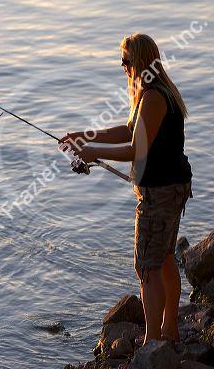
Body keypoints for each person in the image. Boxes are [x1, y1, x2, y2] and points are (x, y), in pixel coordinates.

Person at [60, 33, 193, 368]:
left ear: (138, 61)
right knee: (163, 259)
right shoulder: (152, 92)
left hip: (160, 192)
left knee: (147, 265)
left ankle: (155, 339)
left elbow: (136, 149)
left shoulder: (152, 97)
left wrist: (90, 152)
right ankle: (169, 330)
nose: (122, 66)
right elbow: (130, 131)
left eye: (125, 60)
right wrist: (86, 136)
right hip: (172, 187)